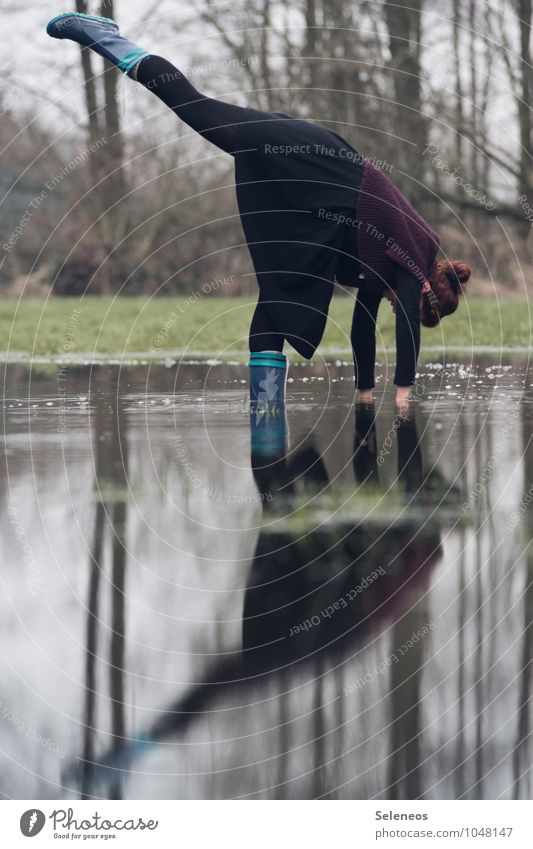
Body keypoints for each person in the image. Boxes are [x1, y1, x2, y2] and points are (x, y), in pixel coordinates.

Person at [47, 12, 472, 410]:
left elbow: (363, 325)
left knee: (281, 293)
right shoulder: (416, 255)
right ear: (425, 295)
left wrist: (364, 391)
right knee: (197, 110)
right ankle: (103, 35)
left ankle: (265, 411)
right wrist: (403, 391)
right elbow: (406, 333)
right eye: (408, 308)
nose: (396, 309)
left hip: (312, 198)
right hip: (313, 163)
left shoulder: (389, 270)